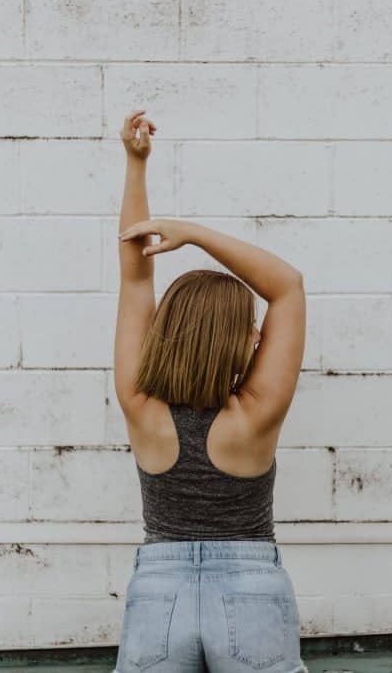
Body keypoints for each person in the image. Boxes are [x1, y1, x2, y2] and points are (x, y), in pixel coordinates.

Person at [112, 109, 308, 673]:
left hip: (159, 592)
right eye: (250, 327)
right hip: (251, 587)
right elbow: (288, 287)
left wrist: (135, 164)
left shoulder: (140, 405)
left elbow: (135, 274)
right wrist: (194, 232)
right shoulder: (255, 417)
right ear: (241, 342)